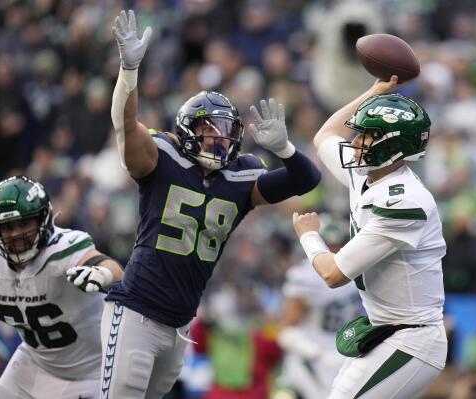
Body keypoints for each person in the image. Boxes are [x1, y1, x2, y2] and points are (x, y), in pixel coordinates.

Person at [103, 10, 321, 399]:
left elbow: (307, 179)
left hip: (180, 325)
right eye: (209, 129)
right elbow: (125, 123)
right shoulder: (163, 157)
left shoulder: (240, 178)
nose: (219, 139)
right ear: (188, 129)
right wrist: (129, 71)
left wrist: (285, 148)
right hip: (136, 310)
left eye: (225, 131)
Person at [292, 75, 448, 398]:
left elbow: (333, 274)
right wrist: (373, 93)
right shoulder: (367, 177)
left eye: (366, 136)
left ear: (392, 145)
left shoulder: (404, 200)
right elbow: (325, 136)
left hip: (413, 339)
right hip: (386, 329)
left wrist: (309, 236)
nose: (355, 142)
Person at [0, 175, 123, 399]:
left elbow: (112, 269)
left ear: (43, 219)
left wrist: (103, 274)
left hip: (91, 373)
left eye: (24, 223)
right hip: (35, 362)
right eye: (7, 227)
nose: (16, 234)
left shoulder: (62, 248)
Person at [277, 214, 361, 399]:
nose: (335, 249)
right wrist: (317, 353)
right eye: (330, 244)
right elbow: (287, 329)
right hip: (315, 361)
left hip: (350, 357)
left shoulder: (359, 267)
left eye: (338, 243)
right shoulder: (304, 276)